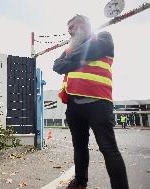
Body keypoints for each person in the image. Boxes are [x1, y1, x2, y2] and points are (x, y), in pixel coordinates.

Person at [53, 15, 129, 189]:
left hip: (98, 103)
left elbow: (91, 50)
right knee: (79, 147)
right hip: (73, 105)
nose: (69, 30)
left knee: (108, 149)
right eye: (68, 27)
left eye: (73, 25)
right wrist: (74, 57)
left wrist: (70, 58)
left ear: (85, 24)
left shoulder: (103, 37)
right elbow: (57, 66)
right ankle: (80, 182)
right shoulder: (70, 48)